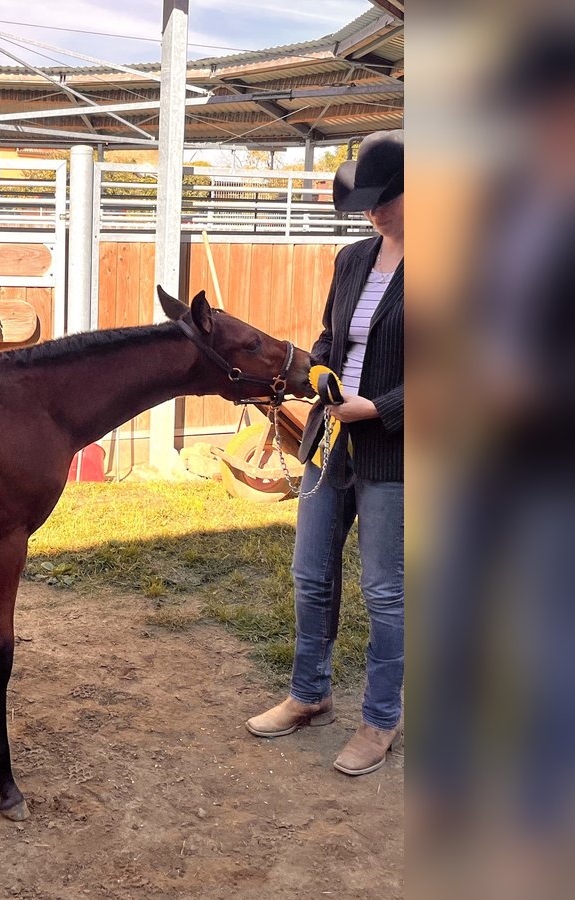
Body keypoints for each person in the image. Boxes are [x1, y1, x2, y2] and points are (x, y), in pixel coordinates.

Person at [245, 130, 404, 776]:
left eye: (383, 199)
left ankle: (380, 719)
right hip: (330, 441)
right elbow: (327, 338)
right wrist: (316, 374)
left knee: (385, 592)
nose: (371, 211)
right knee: (311, 575)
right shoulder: (351, 259)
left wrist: (380, 407)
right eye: (364, 201)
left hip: (395, 450)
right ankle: (309, 695)